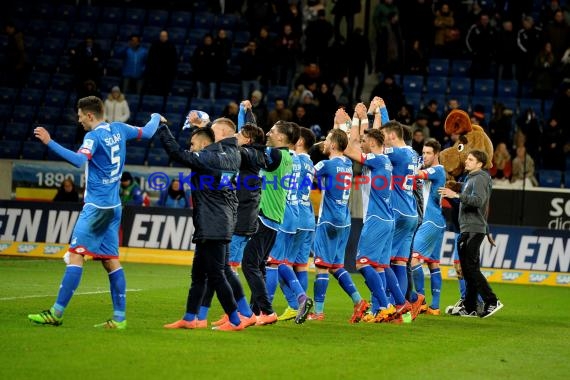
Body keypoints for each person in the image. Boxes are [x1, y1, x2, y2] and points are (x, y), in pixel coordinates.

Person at [28, 96, 164, 328]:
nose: (79, 120)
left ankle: (56, 313)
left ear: (90, 115)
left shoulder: (92, 136)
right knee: (110, 261)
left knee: (76, 255)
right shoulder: (120, 129)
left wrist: (50, 142)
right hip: (114, 207)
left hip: (96, 208)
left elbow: (80, 160)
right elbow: (149, 132)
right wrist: (155, 117)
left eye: (80, 115)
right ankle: (119, 319)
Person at [160, 119, 248, 331]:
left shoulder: (209, 157)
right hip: (214, 222)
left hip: (213, 224)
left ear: (201, 144)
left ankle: (236, 321)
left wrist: (163, 127)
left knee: (217, 274)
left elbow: (176, 153)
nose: (191, 148)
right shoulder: (231, 154)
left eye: (192, 144)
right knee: (199, 274)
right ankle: (190, 318)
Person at [241, 120, 310, 325]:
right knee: (276, 263)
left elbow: (255, 144)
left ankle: (265, 310)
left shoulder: (277, 155)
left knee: (267, 264)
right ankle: (297, 298)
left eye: (272, 130)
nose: (269, 133)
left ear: (281, 137)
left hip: (274, 215)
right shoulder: (294, 158)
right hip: (294, 214)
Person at [343, 103, 398, 323]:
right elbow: (367, 137)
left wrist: (357, 120)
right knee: (379, 266)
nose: (362, 143)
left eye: (366, 141)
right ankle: (380, 310)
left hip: (376, 217)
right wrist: (367, 117)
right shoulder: (384, 159)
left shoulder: (376, 159)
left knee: (363, 263)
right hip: (388, 218)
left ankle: (385, 305)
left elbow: (348, 148)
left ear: (373, 143)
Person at [310, 126, 369, 323]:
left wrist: (310, 153)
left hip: (329, 220)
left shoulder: (327, 164)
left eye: (327, 139)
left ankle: (318, 312)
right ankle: (359, 301)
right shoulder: (348, 164)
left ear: (334, 145)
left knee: (321, 267)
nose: (324, 142)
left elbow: (306, 173)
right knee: (336, 266)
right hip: (345, 221)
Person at [439, 150, 503, 318]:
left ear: (480, 164)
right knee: (467, 269)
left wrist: (457, 195)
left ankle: (491, 300)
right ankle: (470, 306)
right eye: (467, 158)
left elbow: (479, 201)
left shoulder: (480, 177)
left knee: (471, 268)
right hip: (469, 228)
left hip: (473, 229)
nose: (466, 161)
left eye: (470, 159)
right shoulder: (470, 178)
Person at [409, 139, 446, 315]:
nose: (425, 156)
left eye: (428, 153)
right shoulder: (433, 171)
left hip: (430, 221)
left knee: (414, 258)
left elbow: (418, 175)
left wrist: (411, 167)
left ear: (436, 154)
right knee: (433, 263)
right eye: (423, 153)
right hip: (437, 221)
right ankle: (435, 306)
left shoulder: (437, 170)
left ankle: (421, 299)